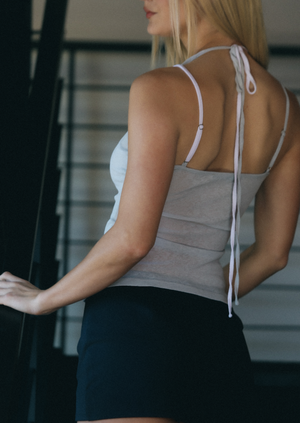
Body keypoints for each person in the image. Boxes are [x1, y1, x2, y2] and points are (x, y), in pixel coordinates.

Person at [1, 0, 300, 422]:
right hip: (217, 335)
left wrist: (45, 300)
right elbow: (273, 254)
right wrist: (201, 293)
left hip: (131, 331)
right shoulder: (286, 108)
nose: (146, 0)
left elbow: (132, 240)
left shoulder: (160, 87)